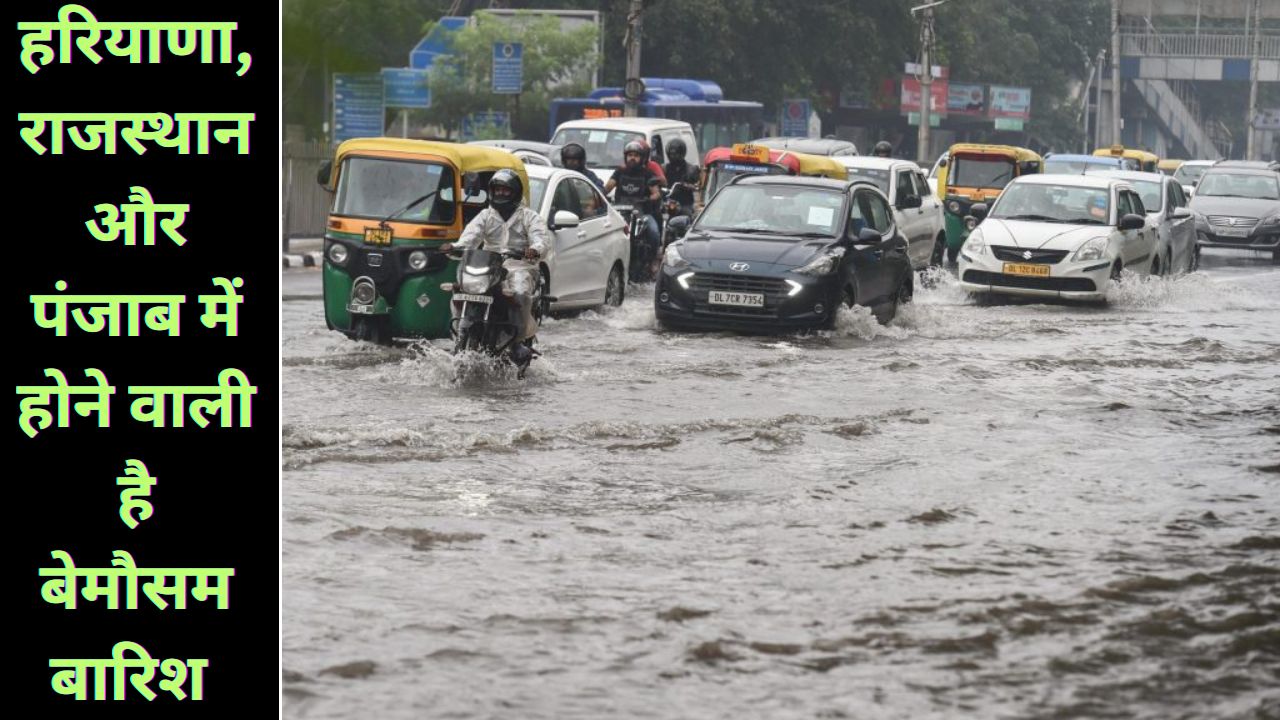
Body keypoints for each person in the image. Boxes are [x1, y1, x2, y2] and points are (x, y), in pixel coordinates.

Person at [440, 169, 549, 345]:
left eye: (505, 190)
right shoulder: (485, 215)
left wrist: (534, 250)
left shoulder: (530, 217)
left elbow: (541, 240)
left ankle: (517, 342)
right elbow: (470, 237)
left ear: (515, 192)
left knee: (520, 293)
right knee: (460, 289)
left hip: (519, 266)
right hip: (490, 265)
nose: (500, 193)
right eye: (497, 190)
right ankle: (459, 336)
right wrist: (454, 247)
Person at [604, 140, 662, 256]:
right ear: (626, 157)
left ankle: (652, 260)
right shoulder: (620, 172)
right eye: (630, 155)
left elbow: (656, 193)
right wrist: (600, 195)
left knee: (654, 232)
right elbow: (607, 188)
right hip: (620, 213)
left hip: (642, 213)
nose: (632, 158)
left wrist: (649, 199)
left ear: (642, 158)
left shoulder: (647, 173)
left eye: (636, 156)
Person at [662, 138, 700, 217]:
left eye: (675, 154)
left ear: (681, 153)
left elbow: (697, 187)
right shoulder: (664, 168)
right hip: (667, 202)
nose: (672, 156)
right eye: (671, 154)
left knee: (687, 214)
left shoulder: (691, 169)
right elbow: (658, 181)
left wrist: (687, 186)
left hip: (684, 203)